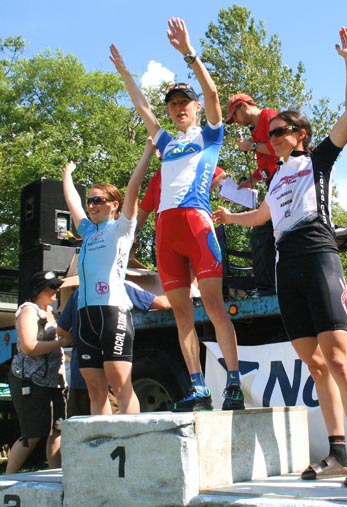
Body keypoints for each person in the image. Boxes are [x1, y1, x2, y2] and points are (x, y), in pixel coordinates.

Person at [214, 28, 347, 487]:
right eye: (274, 133)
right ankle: (338, 452)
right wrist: (229, 217)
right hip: (288, 266)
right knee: (314, 363)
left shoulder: (318, 159)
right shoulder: (276, 177)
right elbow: (263, 216)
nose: (276, 137)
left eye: (283, 131)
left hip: (319, 254)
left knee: (339, 360)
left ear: (300, 134)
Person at [109, 17, 243, 411]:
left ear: (196, 107)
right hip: (168, 234)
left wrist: (188, 51)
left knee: (215, 308)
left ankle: (232, 384)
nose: (178, 108)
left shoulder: (210, 135)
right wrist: (124, 73)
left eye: (185, 103)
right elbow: (142, 107)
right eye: (173, 105)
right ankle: (198, 387)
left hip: (198, 223)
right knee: (182, 315)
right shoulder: (165, 143)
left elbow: (214, 92)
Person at [62, 137, 155, 415]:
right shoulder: (88, 231)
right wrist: (67, 175)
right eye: (90, 200)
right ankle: (104, 449)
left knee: (121, 385)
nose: (91, 205)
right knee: (94, 390)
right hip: (86, 316)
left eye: (98, 200)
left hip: (112, 312)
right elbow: (71, 202)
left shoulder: (121, 228)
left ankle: (134, 445)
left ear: (114, 204)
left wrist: (148, 152)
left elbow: (134, 188)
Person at [58, 282, 170, 417]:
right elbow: (161, 303)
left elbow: (61, 329)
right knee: (116, 420)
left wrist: (79, 340)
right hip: (109, 378)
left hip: (80, 373)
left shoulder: (80, 292)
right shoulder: (117, 286)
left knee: (81, 431)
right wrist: (185, 295)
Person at [5, 271, 71, 474]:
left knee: (56, 432)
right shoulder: (28, 311)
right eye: (52, 287)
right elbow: (28, 347)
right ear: (38, 290)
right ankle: (6, 482)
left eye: (57, 286)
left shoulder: (53, 312)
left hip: (55, 382)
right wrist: (60, 343)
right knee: (32, 435)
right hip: (29, 380)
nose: (56, 290)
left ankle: (58, 478)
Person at [225, 94, 280, 296]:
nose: (236, 121)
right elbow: (265, 163)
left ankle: (267, 290)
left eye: (235, 116)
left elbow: (279, 148)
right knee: (265, 233)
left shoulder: (269, 117)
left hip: (282, 182)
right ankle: (270, 286)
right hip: (273, 183)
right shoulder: (257, 129)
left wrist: (251, 146)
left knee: (261, 232)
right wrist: (251, 181)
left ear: (244, 106)